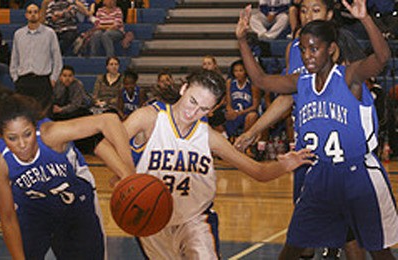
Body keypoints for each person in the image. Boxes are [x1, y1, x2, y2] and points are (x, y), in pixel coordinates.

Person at [236, 0, 398, 259]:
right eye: (303, 50)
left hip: (358, 176)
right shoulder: (301, 82)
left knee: (378, 252)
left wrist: (365, 19)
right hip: (319, 175)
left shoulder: (349, 77)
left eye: (314, 49)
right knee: (294, 246)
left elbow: (381, 58)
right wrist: (243, 40)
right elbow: (260, 80)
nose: (308, 55)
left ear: (331, 50)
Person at [119, 69, 314, 259]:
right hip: (152, 219)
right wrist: (125, 174)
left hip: (196, 221)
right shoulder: (149, 118)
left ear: (211, 110)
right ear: (183, 89)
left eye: (203, 109)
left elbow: (259, 172)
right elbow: (104, 143)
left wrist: (286, 165)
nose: (193, 112)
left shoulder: (209, 137)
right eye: (192, 101)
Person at [0, 90, 133, 259]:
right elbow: (8, 217)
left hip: (75, 201)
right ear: (2, 137)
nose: (22, 144)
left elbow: (109, 121)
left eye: (27, 134)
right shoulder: (1, 160)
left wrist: (129, 173)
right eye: (12, 138)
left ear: (35, 126)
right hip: (33, 208)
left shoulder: (51, 135)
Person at [10, 3, 63, 116]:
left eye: (35, 12)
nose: (33, 14)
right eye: (30, 12)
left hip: (43, 81)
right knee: (24, 116)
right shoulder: (18, 34)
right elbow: (14, 58)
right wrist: (16, 78)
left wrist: (53, 78)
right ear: (26, 15)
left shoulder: (49, 33)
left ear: (39, 14)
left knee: (44, 116)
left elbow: (57, 58)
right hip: (23, 81)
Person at [225, 59, 260, 140]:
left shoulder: (252, 84)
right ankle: (228, 139)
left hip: (246, 112)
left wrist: (240, 113)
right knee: (218, 116)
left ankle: (244, 141)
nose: (238, 73)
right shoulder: (230, 82)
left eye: (241, 70)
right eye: (235, 71)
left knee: (252, 116)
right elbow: (228, 102)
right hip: (234, 112)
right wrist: (230, 110)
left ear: (246, 71)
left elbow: (255, 106)